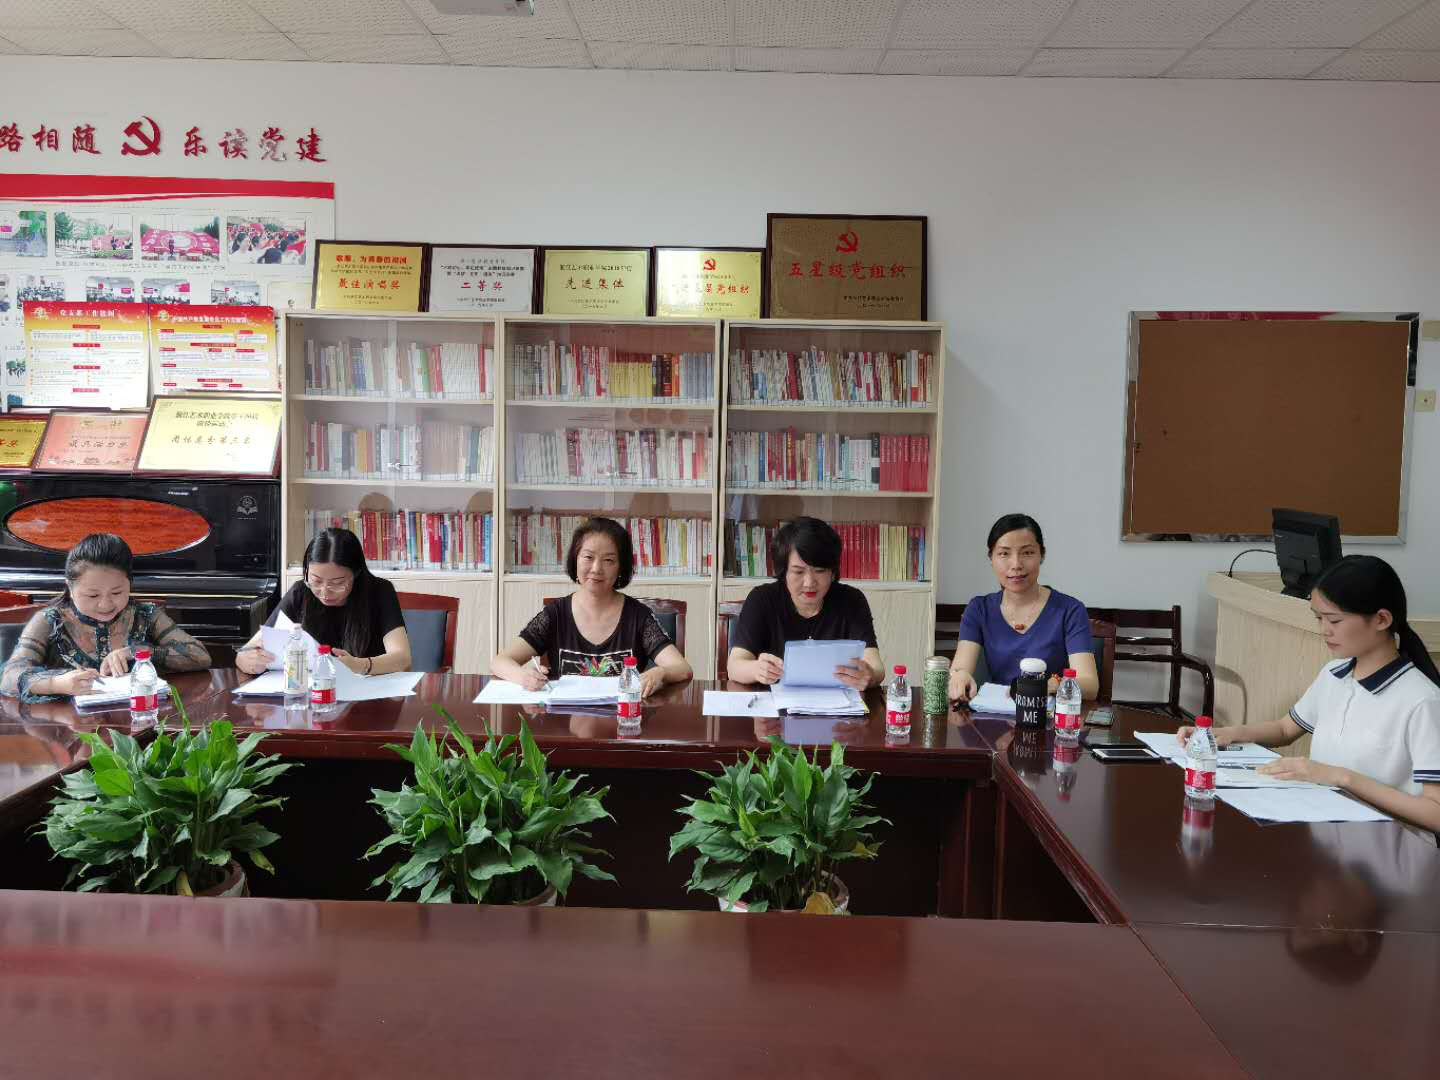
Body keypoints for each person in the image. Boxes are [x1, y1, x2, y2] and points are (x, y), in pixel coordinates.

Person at [1178, 555, 1440, 836]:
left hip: (1388, 849)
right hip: (1325, 833)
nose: (1324, 630)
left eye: (1334, 620)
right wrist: (1225, 734)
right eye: (1318, 618)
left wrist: (1340, 777)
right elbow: (1285, 729)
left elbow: (1435, 812)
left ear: (1381, 619)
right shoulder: (1334, 674)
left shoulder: (1422, 701)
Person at [490, 516, 691, 696]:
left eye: (608, 560)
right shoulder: (555, 615)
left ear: (621, 567)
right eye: (588, 557)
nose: (596, 569)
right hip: (565, 721)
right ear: (575, 560)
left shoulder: (638, 616)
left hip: (623, 720)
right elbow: (500, 661)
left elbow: (682, 668)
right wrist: (523, 677)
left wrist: (660, 672)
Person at [1, 533, 211, 702]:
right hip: (70, 728)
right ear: (70, 588)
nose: (106, 604)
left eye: (117, 592)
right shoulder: (49, 620)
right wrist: (57, 684)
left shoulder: (146, 615)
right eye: (93, 595)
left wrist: (136, 652)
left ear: (130, 583)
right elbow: (9, 677)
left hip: (138, 722)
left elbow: (199, 656)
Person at [947, 513, 1099, 703]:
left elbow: (1089, 685)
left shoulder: (1070, 610)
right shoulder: (979, 609)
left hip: (1048, 714)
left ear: (1042, 555)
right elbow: (960, 669)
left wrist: (1048, 686)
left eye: (1027, 553)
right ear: (991, 558)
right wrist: (959, 676)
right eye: (1004, 553)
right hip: (996, 715)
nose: (1016, 564)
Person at [727, 516, 883, 691]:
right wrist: (756, 669)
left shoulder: (852, 600)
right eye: (798, 572)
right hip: (773, 705)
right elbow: (734, 666)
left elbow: (876, 667)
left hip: (837, 705)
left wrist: (869, 675)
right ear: (783, 571)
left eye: (820, 571)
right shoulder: (762, 599)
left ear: (832, 572)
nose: (809, 583)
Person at [236, 527, 411, 676]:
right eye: (316, 581)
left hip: (371, 695)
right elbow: (249, 650)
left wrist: (359, 665)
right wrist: (246, 659)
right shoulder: (300, 592)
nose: (325, 592)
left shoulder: (379, 591)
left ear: (356, 573)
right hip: (312, 695)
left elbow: (403, 658)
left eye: (338, 583)